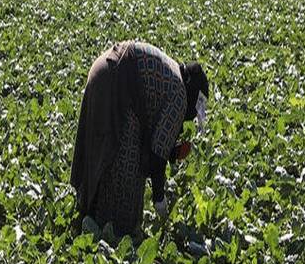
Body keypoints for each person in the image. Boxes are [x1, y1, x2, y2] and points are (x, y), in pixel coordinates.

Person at [71, 41, 209, 237]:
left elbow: (155, 136)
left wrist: (174, 151)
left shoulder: (172, 75)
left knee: (100, 153)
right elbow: (156, 156)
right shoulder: (180, 95)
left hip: (103, 70)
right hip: (115, 84)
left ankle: (89, 218)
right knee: (126, 173)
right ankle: (108, 232)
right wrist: (159, 199)